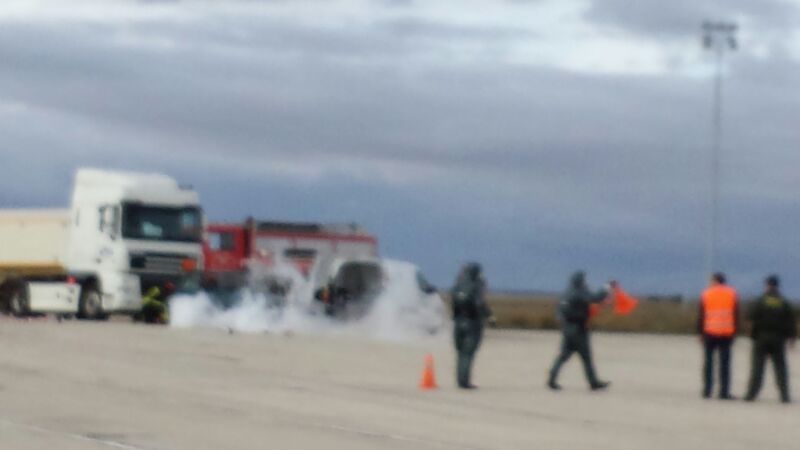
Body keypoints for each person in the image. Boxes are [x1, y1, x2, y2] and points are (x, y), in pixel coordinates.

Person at [548, 271, 611, 391]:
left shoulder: (565, 293)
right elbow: (594, 298)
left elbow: (558, 311)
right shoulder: (579, 292)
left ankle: (552, 379)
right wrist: (605, 288)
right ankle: (593, 383)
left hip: (567, 328)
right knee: (586, 357)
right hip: (579, 329)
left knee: (563, 355)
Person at [744, 275, 797, 403]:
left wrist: (750, 334)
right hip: (778, 339)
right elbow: (791, 322)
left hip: (761, 338)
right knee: (780, 368)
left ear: (767, 285)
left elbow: (750, 317)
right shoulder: (784, 302)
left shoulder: (760, 301)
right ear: (777, 286)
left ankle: (751, 395)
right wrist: (792, 339)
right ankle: (784, 396)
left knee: (757, 368)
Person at [451, 262, 493, 389]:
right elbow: (480, 303)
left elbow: (453, 303)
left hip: (458, 322)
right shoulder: (477, 285)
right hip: (473, 322)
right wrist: (489, 316)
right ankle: (464, 381)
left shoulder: (458, 284)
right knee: (468, 354)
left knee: (460, 353)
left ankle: (460, 379)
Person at [698, 272, 739, 400]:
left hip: (709, 332)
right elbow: (736, 314)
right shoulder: (732, 294)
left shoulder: (706, 294)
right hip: (727, 333)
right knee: (725, 365)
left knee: (708, 364)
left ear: (715, 281)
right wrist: (735, 331)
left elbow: (701, 315)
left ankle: (707, 391)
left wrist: (700, 333)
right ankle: (724, 392)